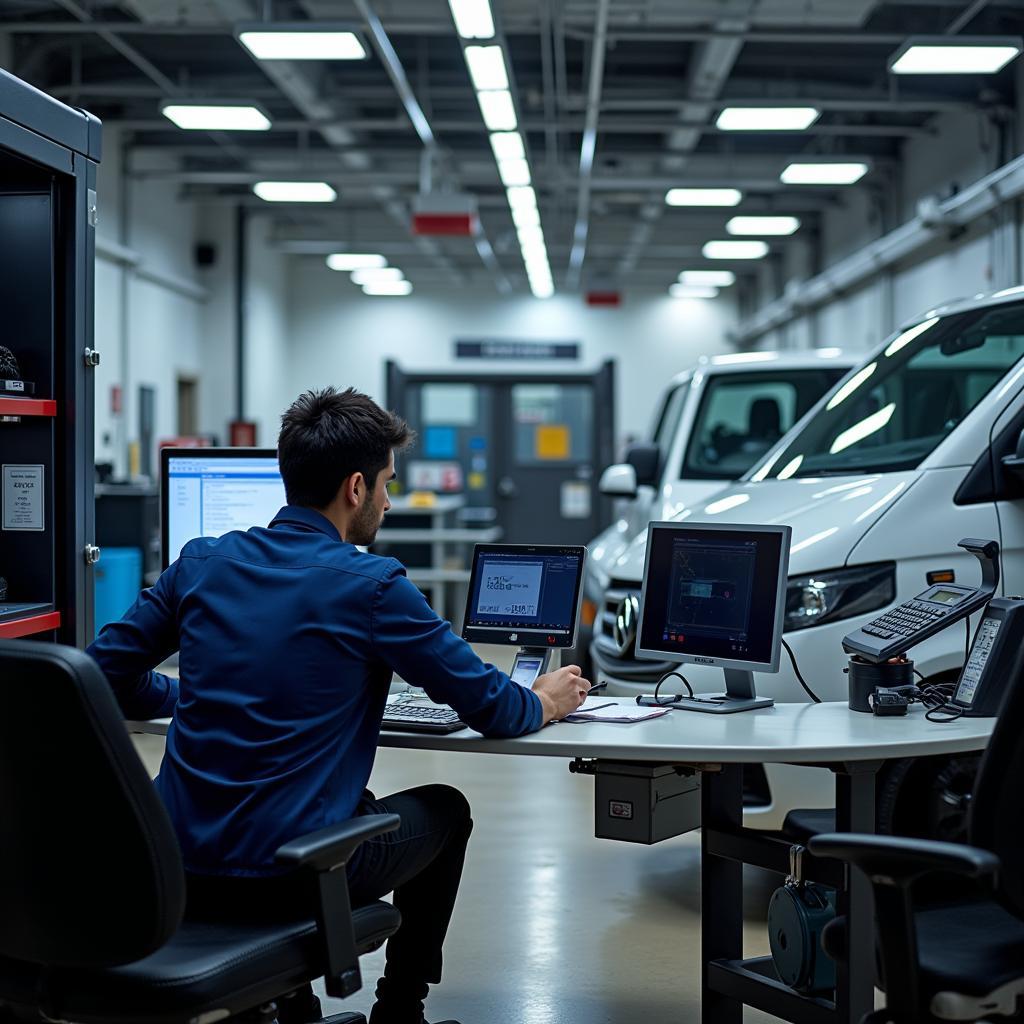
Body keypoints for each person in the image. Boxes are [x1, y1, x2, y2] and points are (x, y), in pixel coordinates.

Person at [87, 387, 591, 1024]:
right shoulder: (374, 587)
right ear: (355, 487)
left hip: (176, 865)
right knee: (446, 810)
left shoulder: (201, 563)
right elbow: (492, 706)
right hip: (294, 875)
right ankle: (399, 1011)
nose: (387, 499)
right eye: (386, 483)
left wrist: (184, 696)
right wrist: (544, 700)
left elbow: (101, 674)